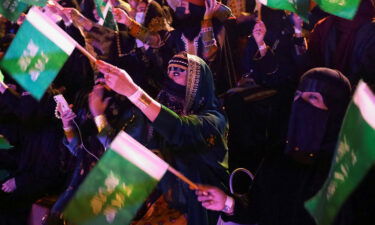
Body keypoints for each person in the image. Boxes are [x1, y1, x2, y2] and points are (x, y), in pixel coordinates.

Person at [196, 67, 352, 225]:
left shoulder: (346, 169)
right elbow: (256, 209)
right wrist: (227, 203)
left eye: (312, 97)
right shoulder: (279, 155)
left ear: (336, 109)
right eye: (298, 96)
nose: (301, 104)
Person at [91, 52, 229, 225]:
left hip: (201, 210)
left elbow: (180, 129)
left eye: (177, 72)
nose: (170, 77)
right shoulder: (154, 113)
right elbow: (121, 149)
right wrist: (98, 115)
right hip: (163, 202)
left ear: (196, 81)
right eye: (169, 71)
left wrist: (133, 92)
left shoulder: (214, 120)